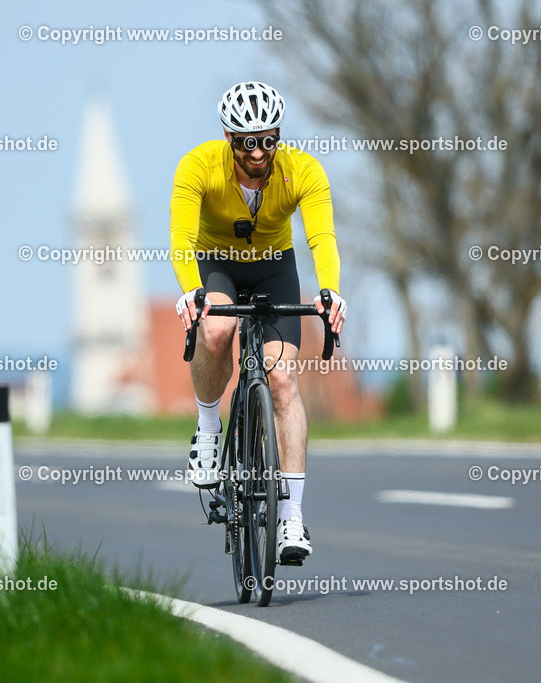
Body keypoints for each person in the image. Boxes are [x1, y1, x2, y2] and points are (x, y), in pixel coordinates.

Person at [170, 81, 346, 564]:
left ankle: (291, 517)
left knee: (284, 379)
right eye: (248, 142)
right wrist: (192, 291)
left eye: (268, 140)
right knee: (219, 329)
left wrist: (329, 288)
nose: (259, 152)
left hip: (274, 266)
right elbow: (182, 240)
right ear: (229, 138)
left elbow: (322, 238)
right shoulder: (197, 166)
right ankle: (208, 429)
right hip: (217, 263)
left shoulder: (302, 170)